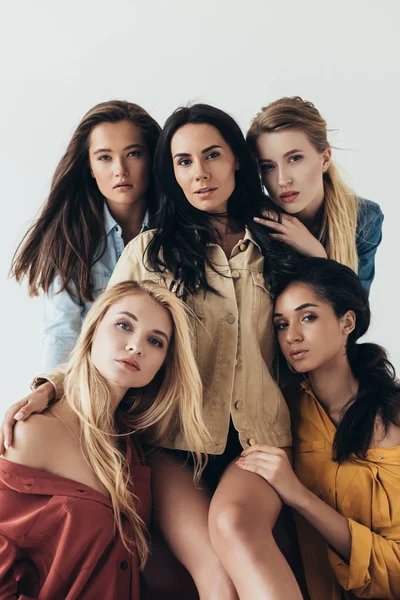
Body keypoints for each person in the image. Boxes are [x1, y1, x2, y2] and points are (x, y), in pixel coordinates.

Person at [2, 104, 304, 599]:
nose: (200, 173)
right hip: (173, 441)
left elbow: (320, 319)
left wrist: (312, 255)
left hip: (259, 440)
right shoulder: (148, 250)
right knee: (213, 572)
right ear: (172, 173)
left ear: (236, 162)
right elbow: (99, 332)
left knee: (237, 531)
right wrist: (48, 388)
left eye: (212, 156)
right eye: (184, 162)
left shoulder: (273, 245)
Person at [0, 280, 209, 599]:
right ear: (94, 327)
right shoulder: (30, 432)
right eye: (124, 325)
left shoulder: (134, 453)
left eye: (155, 341)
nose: (136, 346)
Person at [236, 258, 400, 599]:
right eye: (281, 325)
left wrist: (297, 494)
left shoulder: (392, 417)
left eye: (307, 317)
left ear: (347, 322)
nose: (292, 336)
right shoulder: (283, 410)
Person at [10, 100, 161, 370]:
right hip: (98, 385)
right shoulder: (70, 237)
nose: (120, 170)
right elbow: (61, 332)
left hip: (168, 388)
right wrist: (50, 391)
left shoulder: (178, 230)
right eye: (105, 157)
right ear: (89, 166)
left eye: (133, 153)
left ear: (152, 158)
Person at [246, 96, 384, 294]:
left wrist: (317, 255)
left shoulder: (363, 219)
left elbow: (354, 317)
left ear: (325, 158)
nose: (282, 180)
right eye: (268, 166)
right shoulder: (258, 222)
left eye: (294, 159)